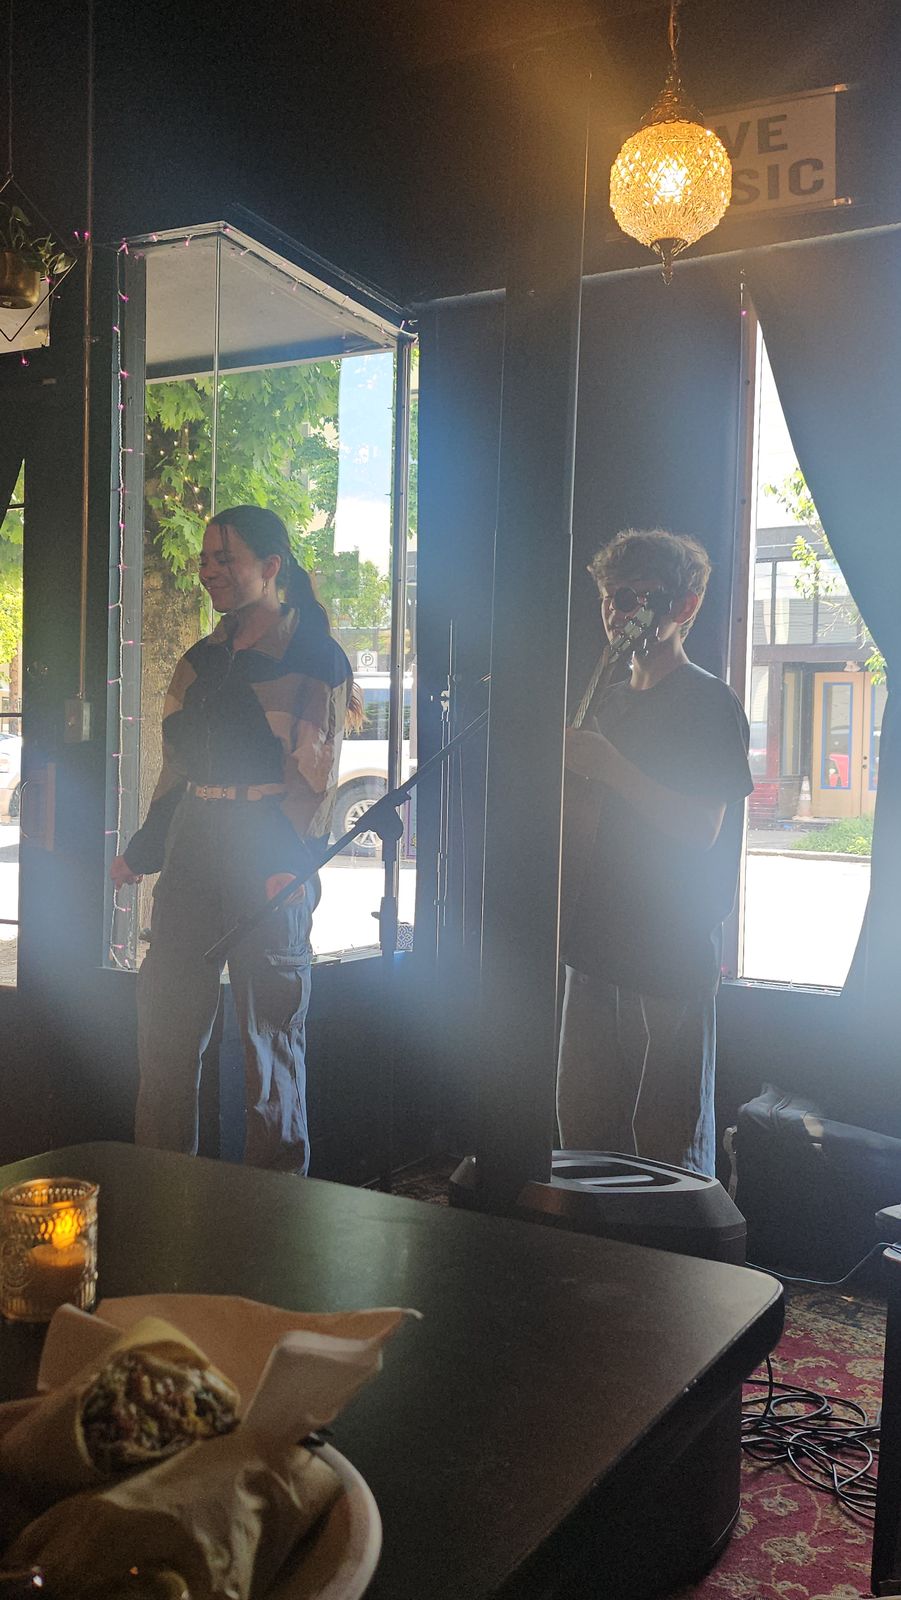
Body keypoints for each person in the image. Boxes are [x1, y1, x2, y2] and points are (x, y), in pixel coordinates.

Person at [110, 505, 359, 1174]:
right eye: (204, 558)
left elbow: (315, 775)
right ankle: (162, 1185)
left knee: (269, 1037)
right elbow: (176, 768)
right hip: (194, 841)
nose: (208, 570)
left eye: (225, 558)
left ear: (271, 566)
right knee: (166, 1026)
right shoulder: (199, 660)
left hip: (268, 848)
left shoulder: (316, 657)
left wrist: (289, 862)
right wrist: (143, 851)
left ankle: (275, 1203)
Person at [557, 529, 753, 1176]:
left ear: (684, 606)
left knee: (666, 1159)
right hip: (593, 946)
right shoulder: (608, 700)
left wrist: (610, 766)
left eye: (637, 597)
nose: (619, 612)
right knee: (583, 1144)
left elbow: (700, 827)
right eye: (611, 597)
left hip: (666, 953)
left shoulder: (708, 702)